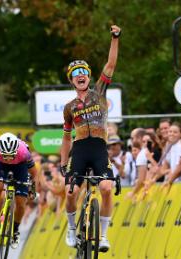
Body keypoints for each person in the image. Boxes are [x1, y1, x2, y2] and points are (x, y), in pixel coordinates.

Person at [59, 25, 121, 252]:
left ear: (89, 76)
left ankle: (103, 235)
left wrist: (115, 38)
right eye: (75, 74)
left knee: (105, 187)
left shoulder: (99, 93)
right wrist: (63, 163)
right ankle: (72, 228)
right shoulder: (69, 108)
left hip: (99, 148)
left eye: (83, 72)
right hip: (80, 150)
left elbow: (111, 64)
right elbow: (66, 138)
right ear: (72, 81)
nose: (80, 76)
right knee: (71, 192)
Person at [0, 133, 37, 249]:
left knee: (21, 204)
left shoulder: (24, 153)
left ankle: (15, 231)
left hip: (20, 168)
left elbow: (34, 174)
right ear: (0, 151)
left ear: (16, 151)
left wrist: (32, 188)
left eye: (11, 155)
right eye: (5, 155)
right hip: (1, 166)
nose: (8, 159)